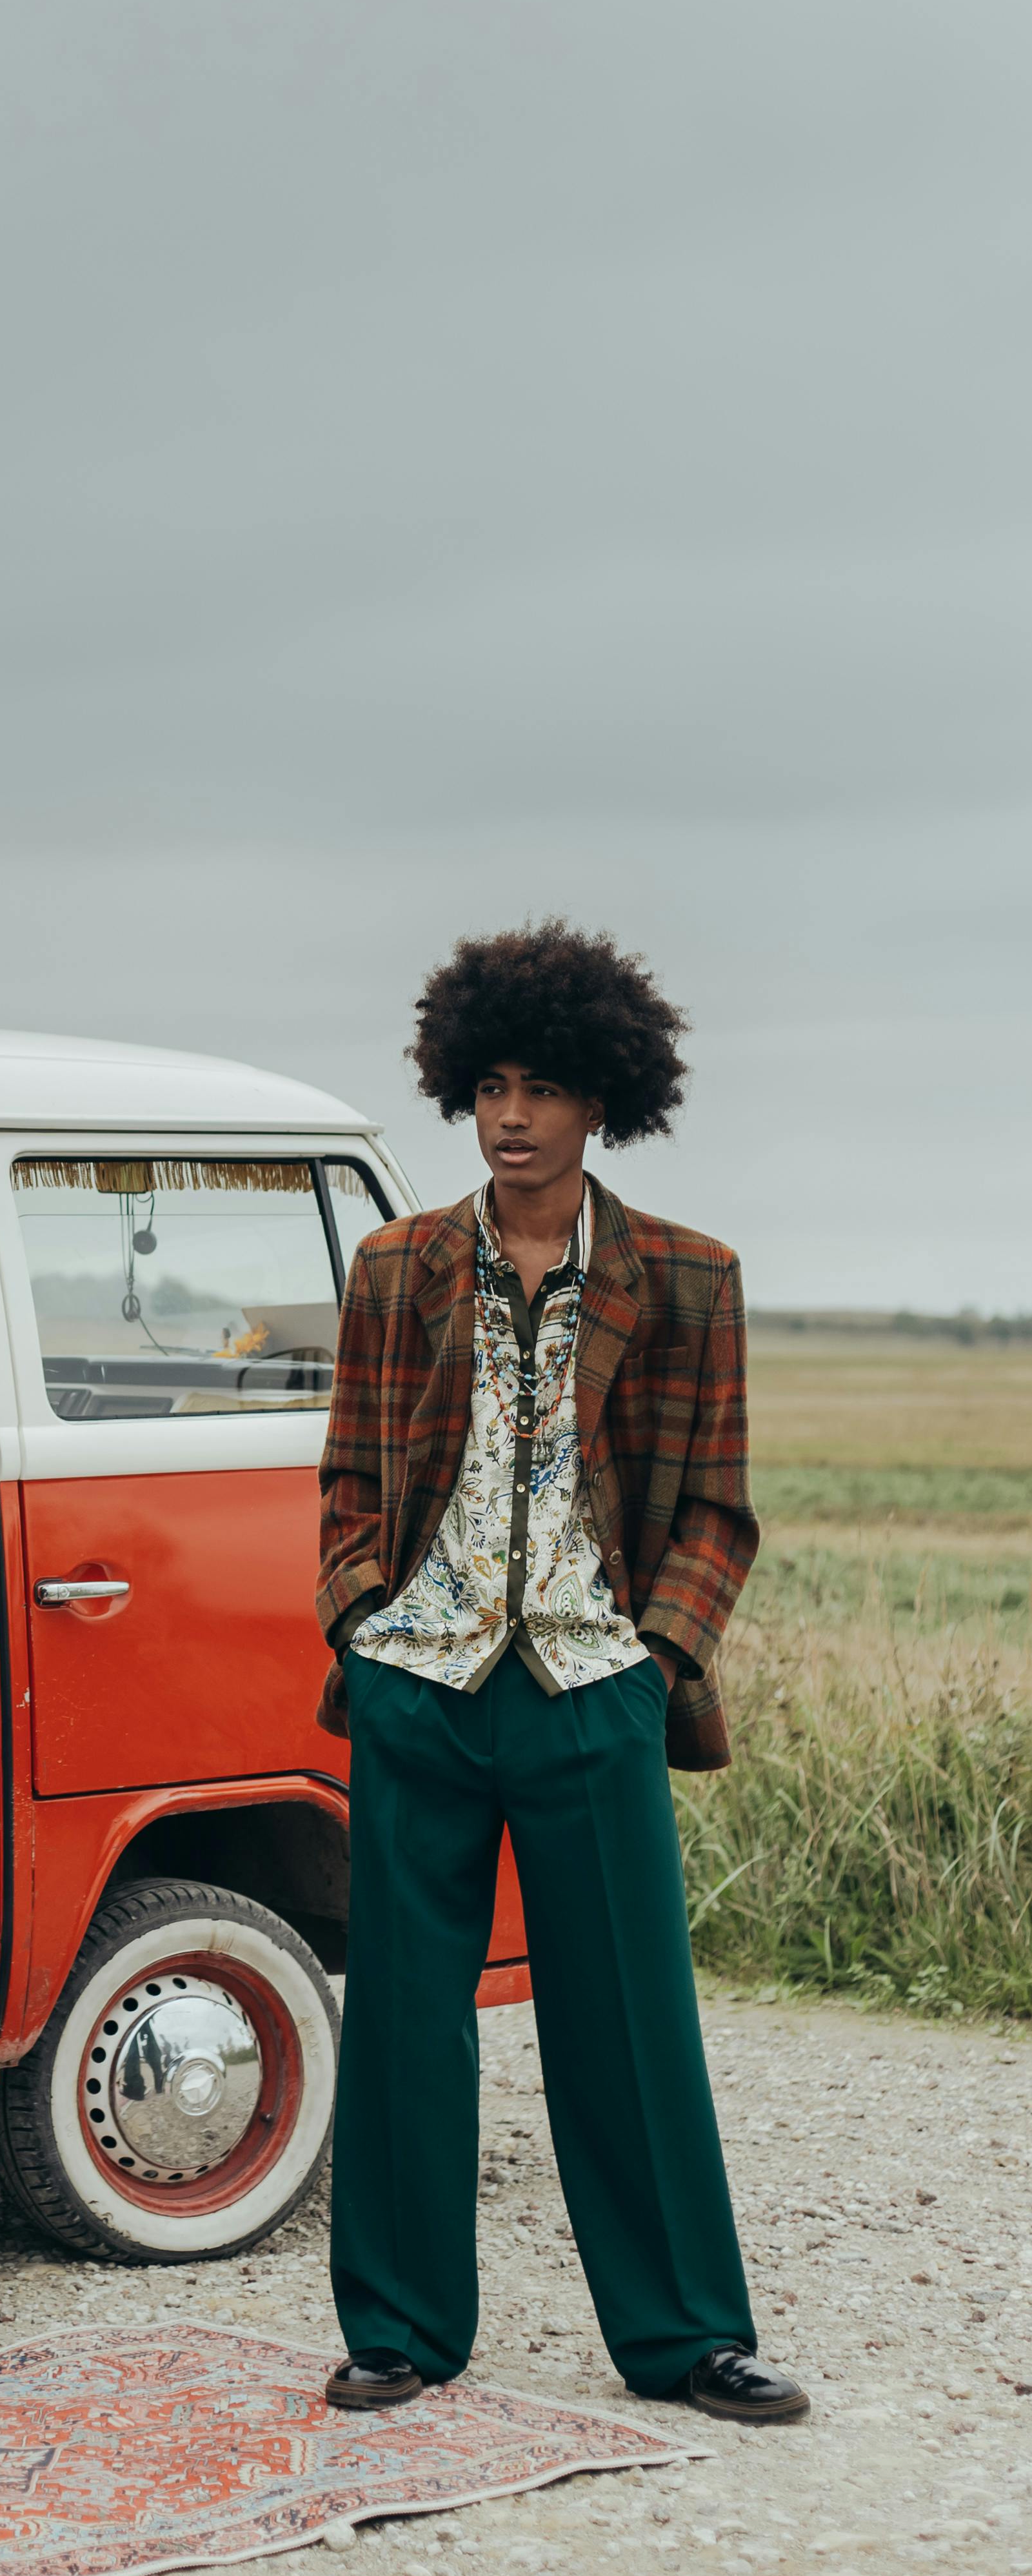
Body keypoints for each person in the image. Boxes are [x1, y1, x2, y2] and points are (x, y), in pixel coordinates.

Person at [315, 927, 808, 2428]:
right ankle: (397, 2329)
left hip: (595, 1687)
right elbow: (346, 1476)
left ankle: (684, 2338)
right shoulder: (396, 1264)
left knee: (629, 2018)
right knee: (404, 2012)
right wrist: (359, 1622)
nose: (510, 1115)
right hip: (421, 1685)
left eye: (543, 1089)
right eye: (489, 1088)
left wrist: (652, 1664)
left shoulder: (690, 1277)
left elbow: (714, 1506)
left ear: (605, 1101)